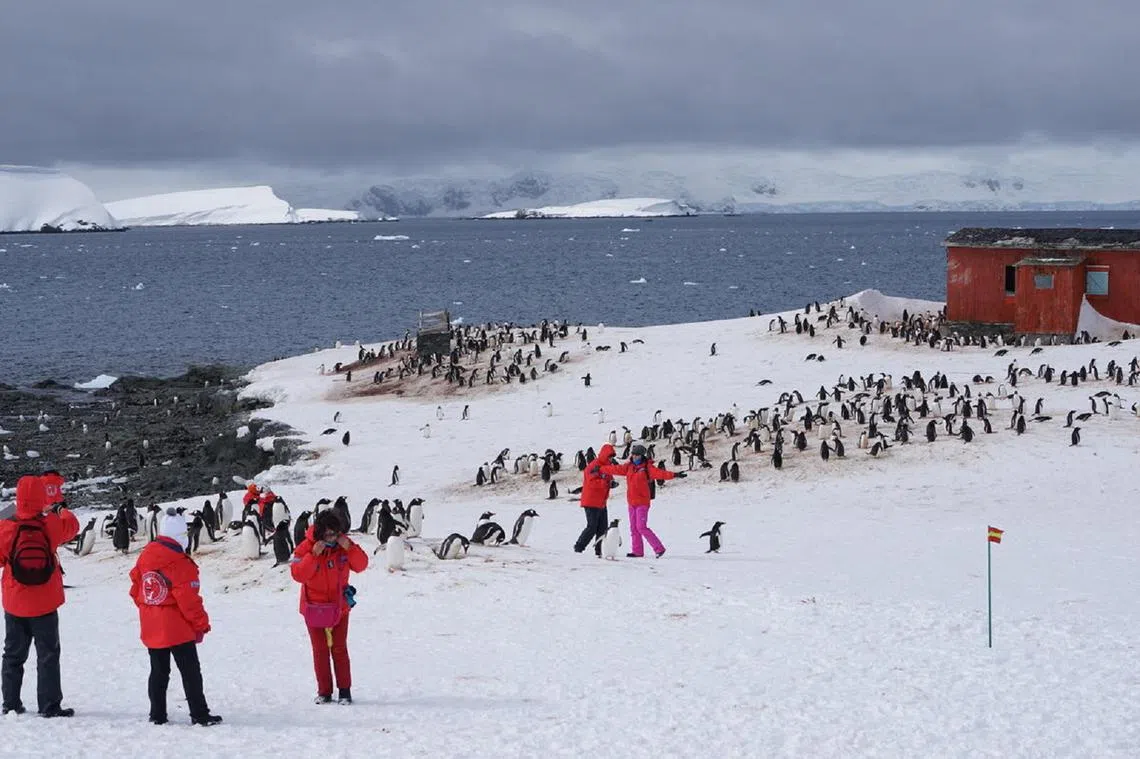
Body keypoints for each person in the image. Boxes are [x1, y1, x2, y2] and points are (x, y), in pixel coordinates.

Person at [128, 508, 221, 726]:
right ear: (180, 535)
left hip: (151, 625)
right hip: (177, 627)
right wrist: (201, 624)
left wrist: (149, 609)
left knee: (158, 671)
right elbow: (189, 600)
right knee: (190, 671)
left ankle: (157, 714)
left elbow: (135, 587)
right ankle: (199, 714)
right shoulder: (179, 562)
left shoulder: (146, 555)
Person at [0, 473, 80, 717]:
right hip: (45, 603)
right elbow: (73, 526)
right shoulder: (50, 524)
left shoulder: (7, 528)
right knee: (48, 655)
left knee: (13, 654)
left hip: (15, 602)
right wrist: (60, 509)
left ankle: (11, 703)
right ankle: (49, 705)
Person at [290, 510, 368, 704]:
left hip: (339, 607)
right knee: (320, 650)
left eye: (335, 534)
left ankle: (344, 691)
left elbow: (361, 565)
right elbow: (298, 574)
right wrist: (313, 556)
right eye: (328, 535)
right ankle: (324, 692)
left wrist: (350, 548)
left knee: (339, 648)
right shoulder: (306, 547)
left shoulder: (344, 545)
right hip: (314, 607)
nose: (332, 538)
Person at [600, 444, 687, 558]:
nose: (635, 457)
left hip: (642, 502)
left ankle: (659, 549)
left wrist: (674, 475)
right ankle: (637, 551)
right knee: (634, 528)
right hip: (631, 502)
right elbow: (616, 469)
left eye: (637, 455)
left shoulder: (647, 468)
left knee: (641, 527)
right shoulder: (629, 466)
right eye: (633, 454)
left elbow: (660, 473)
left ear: (642, 456)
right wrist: (601, 469)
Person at [574, 443, 618, 556]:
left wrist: (612, 483)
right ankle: (579, 547)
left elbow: (608, 479)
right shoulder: (594, 466)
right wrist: (606, 483)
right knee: (592, 527)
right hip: (591, 501)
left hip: (601, 502)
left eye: (612, 457)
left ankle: (600, 550)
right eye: (610, 456)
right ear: (604, 455)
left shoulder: (607, 467)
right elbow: (592, 482)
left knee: (602, 528)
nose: (611, 459)